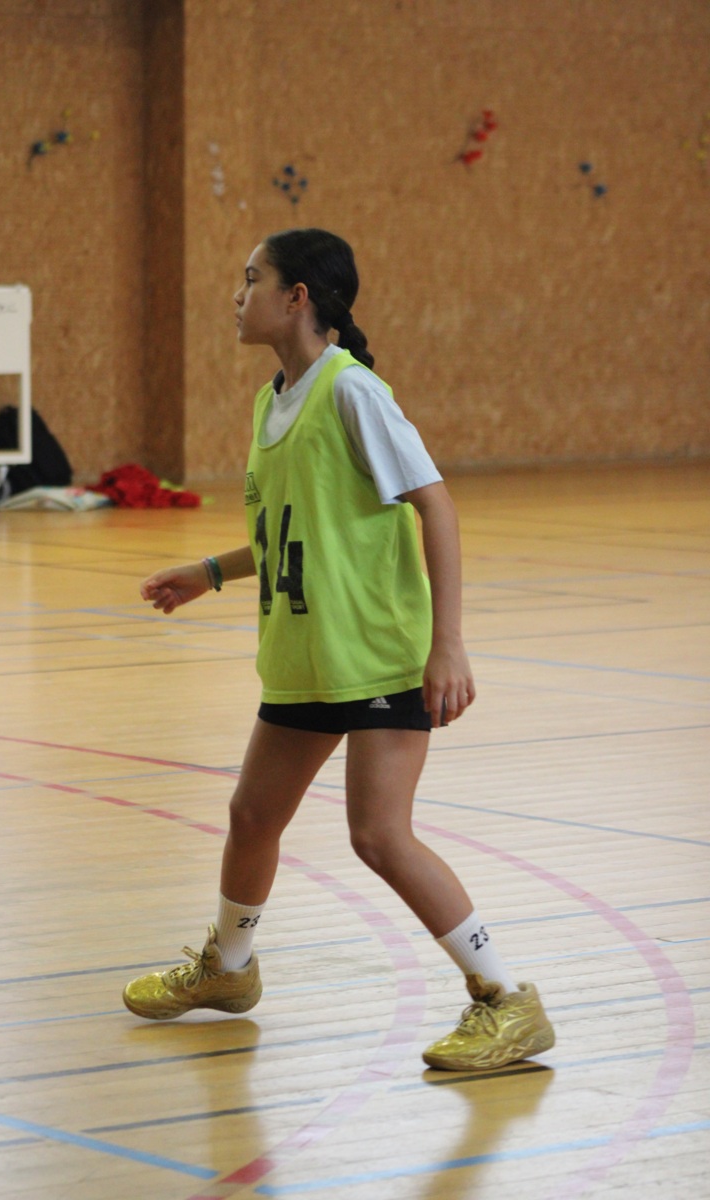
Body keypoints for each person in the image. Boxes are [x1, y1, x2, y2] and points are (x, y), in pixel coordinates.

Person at [123, 228, 554, 1071]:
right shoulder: (271, 401)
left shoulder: (352, 391)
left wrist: (448, 644)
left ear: (298, 298)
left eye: (252, 278)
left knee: (379, 835)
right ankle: (229, 969)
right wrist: (209, 573)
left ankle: (508, 1000)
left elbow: (436, 506)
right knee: (253, 817)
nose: (237, 294)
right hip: (306, 654)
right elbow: (295, 534)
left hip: (378, 654)